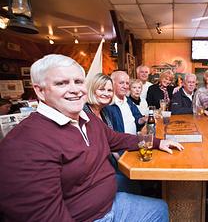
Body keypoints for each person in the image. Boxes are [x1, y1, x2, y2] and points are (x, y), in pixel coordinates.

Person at [0, 54, 184, 222]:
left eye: (78, 81)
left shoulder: (86, 119)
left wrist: (158, 142)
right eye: (61, 83)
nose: (75, 90)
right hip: (88, 217)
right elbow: (43, 215)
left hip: (111, 203)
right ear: (40, 91)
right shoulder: (24, 143)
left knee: (159, 208)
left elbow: (118, 139)